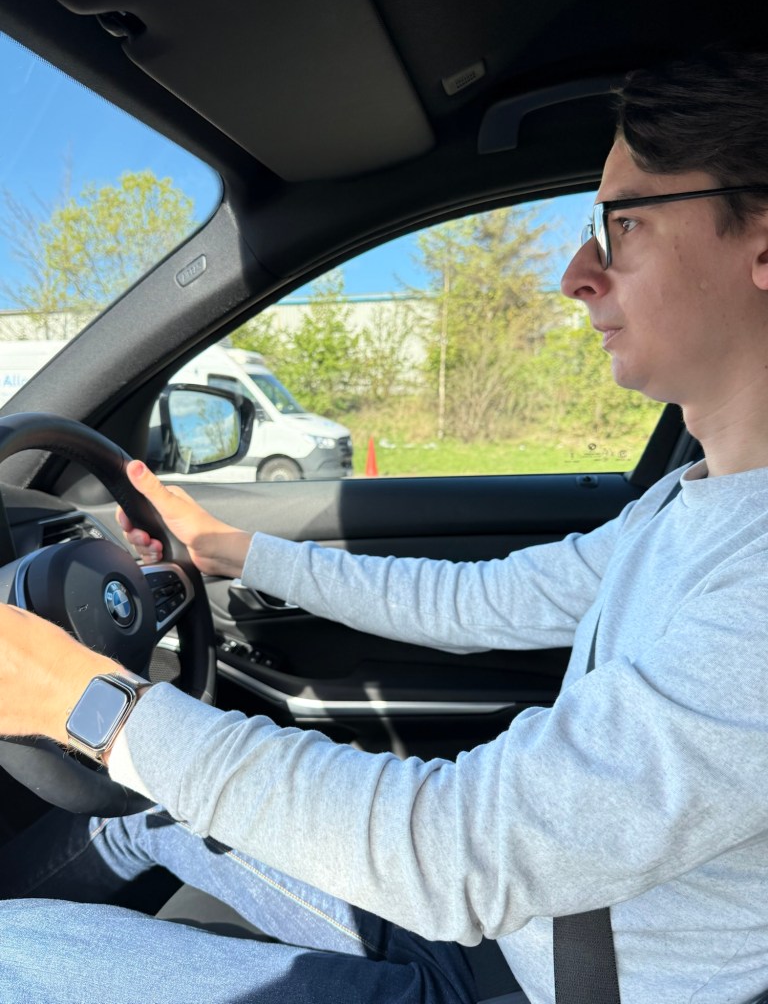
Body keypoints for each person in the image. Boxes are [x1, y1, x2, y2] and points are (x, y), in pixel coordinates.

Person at [2, 49, 768, 1004]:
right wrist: (229, 548)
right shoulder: (686, 502)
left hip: (540, 983)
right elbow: (485, 597)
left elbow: (459, 851)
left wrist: (90, 704)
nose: (578, 273)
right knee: (138, 821)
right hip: (506, 928)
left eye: (624, 223)